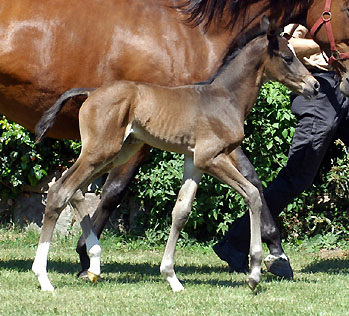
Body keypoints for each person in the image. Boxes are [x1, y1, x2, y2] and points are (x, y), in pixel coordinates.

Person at [213, 24, 349, 275]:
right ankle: (236, 242)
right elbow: (286, 46)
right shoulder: (313, 12)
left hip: (344, 83)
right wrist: (328, 44)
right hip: (317, 88)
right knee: (297, 177)